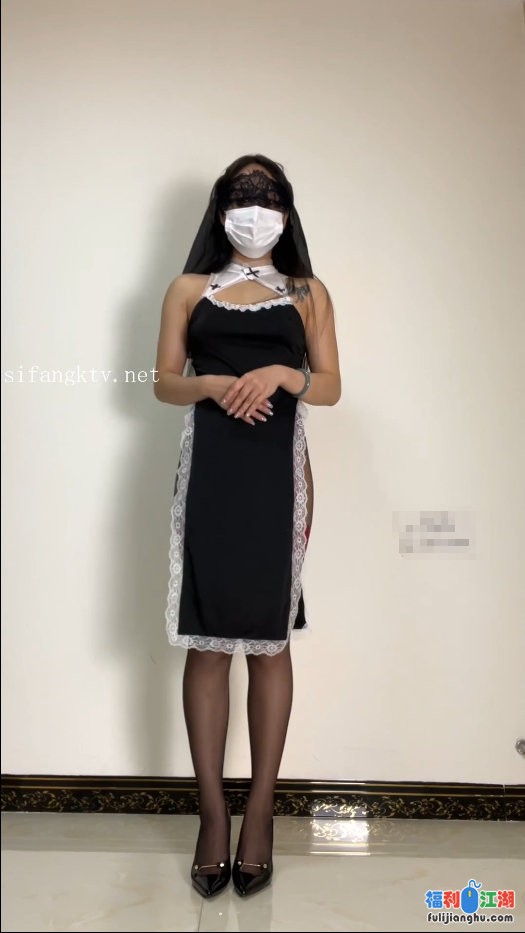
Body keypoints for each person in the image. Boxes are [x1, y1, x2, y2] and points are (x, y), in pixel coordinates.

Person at [154, 154, 341, 898]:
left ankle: (259, 813)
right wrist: (211, 382)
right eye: (241, 194)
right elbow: (163, 382)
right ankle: (211, 815)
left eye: (267, 195)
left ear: (287, 211)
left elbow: (330, 386)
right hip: (208, 475)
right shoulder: (187, 288)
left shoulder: (307, 292)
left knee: (269, 642)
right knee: (206, 640)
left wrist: (286, 375)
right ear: (219, 207)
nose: (254, 208)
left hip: (279, 479)